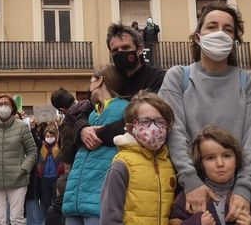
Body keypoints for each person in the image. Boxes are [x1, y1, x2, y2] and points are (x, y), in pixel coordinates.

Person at [159, 4, 251, 222]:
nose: (219, 32)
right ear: (198, 36)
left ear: (235, 40)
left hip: (239, 195)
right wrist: (191, 181)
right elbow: (175, 133)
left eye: (227, 29)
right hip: (189, 194)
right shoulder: (177, 77)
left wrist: (244, 189)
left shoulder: (250, 82)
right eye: (212, 26)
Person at [74, 24, 166, 155]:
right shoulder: (110, 81)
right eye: (115, 50)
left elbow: (145, 120)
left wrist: (98, 133)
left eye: (126, 47)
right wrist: (82, 129)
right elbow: (86, 112)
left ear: (140, 49)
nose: (120, 53)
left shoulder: (159, 78)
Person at [169, 126, 251, 225]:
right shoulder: (189, 198)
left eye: (226, 156)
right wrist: (195, 222)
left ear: (237, 160)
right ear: (201, 164)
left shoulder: (249, 197)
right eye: (210, 158)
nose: (220, 164)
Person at [62, 67, 129, 225]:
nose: (89, 85)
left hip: (99, 196)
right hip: (76, 196)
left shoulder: (126, 108)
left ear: (99, 80)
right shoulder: (92, 112)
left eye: (91, 80)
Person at [100, 92, 176, 224]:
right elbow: (109, 216)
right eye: (145, 122)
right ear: (131, 127)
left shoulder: (169, 162)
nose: (153, 128)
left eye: (160, 121)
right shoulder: (122, 164)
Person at [0, 94, 38, 225]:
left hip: (18, 180)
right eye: (0, 104)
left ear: (12, 108)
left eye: (6, 104)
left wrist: (24, 169)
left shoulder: (22, 127)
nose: (3, 107)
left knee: (16, 219)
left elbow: (32, 152)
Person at [45, 89, 91, 225]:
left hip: (77, 170)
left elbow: (67, 155)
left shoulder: (68, 123)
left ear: (61, 109)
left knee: (59, 209)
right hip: (98, 168)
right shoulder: (91, 108)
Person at [36, 126, 63, 219]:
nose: (49, 138)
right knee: (46, 201)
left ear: (56, 136)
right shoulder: (42, 146)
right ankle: (47, 219)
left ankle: (57, 219)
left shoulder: (59, 146)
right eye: (47, 136)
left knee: (56, 200)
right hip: (44, 177)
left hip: (56, 177)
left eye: (52, 136)